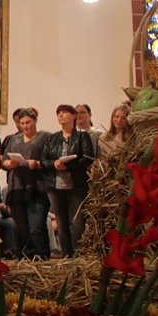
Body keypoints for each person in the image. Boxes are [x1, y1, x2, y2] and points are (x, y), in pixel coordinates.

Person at [41, 105, 95, 257]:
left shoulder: (82, 137)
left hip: (76, 185)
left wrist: (68, 166)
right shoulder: (52, 138)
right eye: (58, 113)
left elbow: (88, 158)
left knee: (77, 223)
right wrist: (55, 164)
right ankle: (66, 257)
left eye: (64, 112)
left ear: (73, 116)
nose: (61, 115)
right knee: (62, 223)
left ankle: (79, 256)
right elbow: (43, 160)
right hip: (55, 185)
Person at [1, 108, 51, 259]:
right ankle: (25, 259)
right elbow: (4, 161)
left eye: (28, 122)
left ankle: (42, 258)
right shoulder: (14, 140)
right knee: (22, 228)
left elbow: (50, 161)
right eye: (22, 123)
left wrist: (37, 164)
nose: (25, 126)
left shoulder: (45, 137)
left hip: (37, 187)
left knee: (36, 227)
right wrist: (9, 163)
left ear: (35, 121)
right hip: (17, 187)